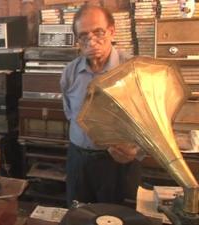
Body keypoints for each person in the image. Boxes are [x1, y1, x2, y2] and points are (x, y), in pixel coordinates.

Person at [60, 4, 141, 207]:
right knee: (78, 216)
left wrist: (136, 151)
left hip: (117, 164)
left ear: (112, 31)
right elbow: (70, 113)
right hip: (78, 160)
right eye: (84, 36)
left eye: (99, 32)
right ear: (77, 40)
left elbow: (147, 123)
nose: (92, 41)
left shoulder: (133, 71)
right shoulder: (69, 73)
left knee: (118, 217)